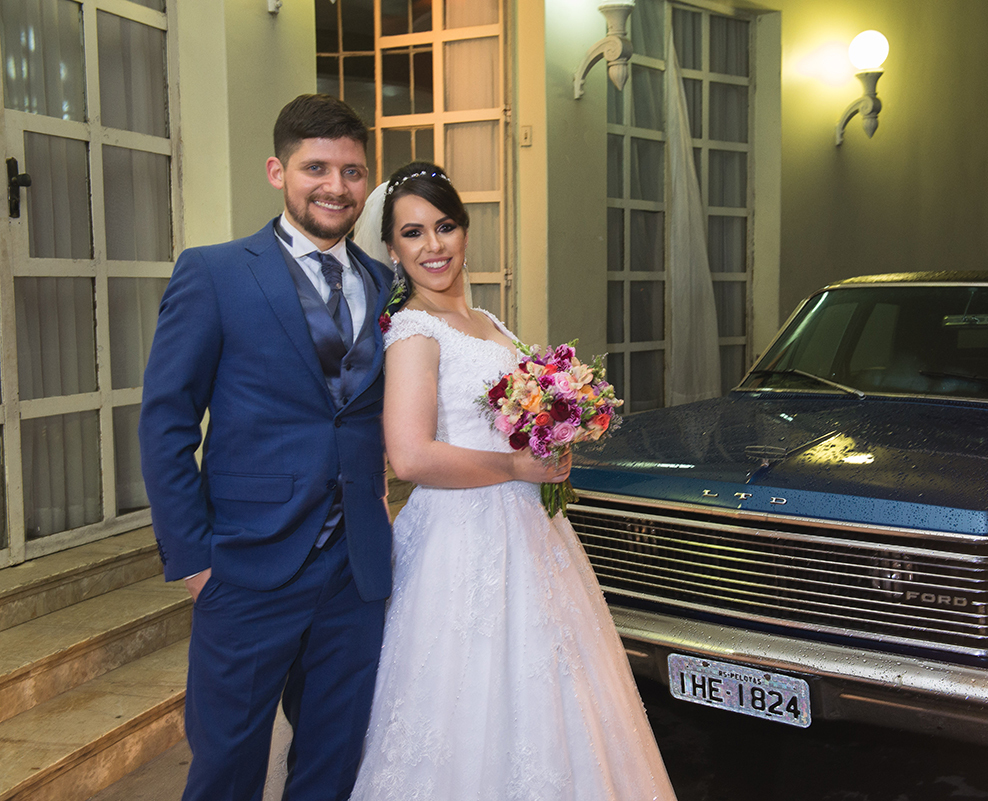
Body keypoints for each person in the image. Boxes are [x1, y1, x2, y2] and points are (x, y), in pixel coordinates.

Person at [348, 161, 678, 801]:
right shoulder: (413, 332)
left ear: (466, 231)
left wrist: (556, 438)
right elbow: (410, 458)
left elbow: (512, 422)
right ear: (392, 248)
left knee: (555, 696)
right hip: (461, 539)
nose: (434, 246)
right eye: (413, 234)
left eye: (445, 227)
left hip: (532, 532)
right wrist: (516, 465)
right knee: (466, 696)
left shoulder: (491, 322)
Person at [138, 94, 396, 801]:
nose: (335, 186)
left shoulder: (385, 285)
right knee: (225, 766)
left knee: (332, 760)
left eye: (351, 171)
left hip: (356, 571)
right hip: (246, 567)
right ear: (278, 171)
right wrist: (193, 559)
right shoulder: (214, 272)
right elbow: (166, 420)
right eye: (317, 167)